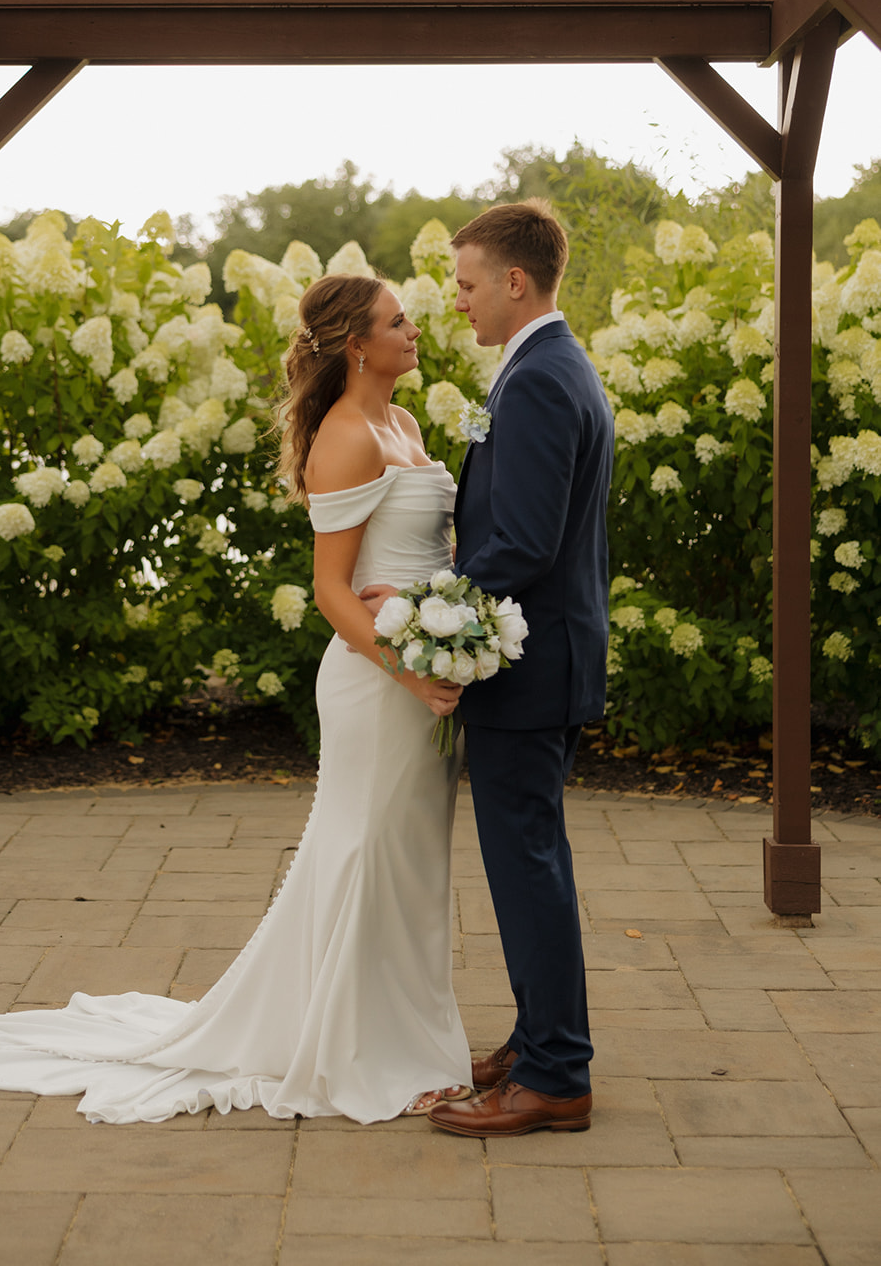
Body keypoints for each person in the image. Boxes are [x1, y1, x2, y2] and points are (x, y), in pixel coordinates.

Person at [0, 272, 473, 1124]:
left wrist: (450, 616)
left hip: (420, 662)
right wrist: (407, 667)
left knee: (409, 862)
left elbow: (428, 542)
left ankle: (404, 1036)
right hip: (376, 680)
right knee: (362, 854)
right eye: (398, 321)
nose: (414, 329)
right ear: (357, 344)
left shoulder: (404, 421)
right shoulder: (348, 435)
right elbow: (329, 589)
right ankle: (353, 1047)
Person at [361, 200, 613, 1138]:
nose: (456, 302)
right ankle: (537, 1039)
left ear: (514, 281)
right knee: (527, 862)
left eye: (466, 284)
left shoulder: (542, 380)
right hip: (541, 657)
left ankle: (554, 1076)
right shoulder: (544, 367)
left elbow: (525, 544)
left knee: (527, 867)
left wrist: (420, 607)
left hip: (529, 666)